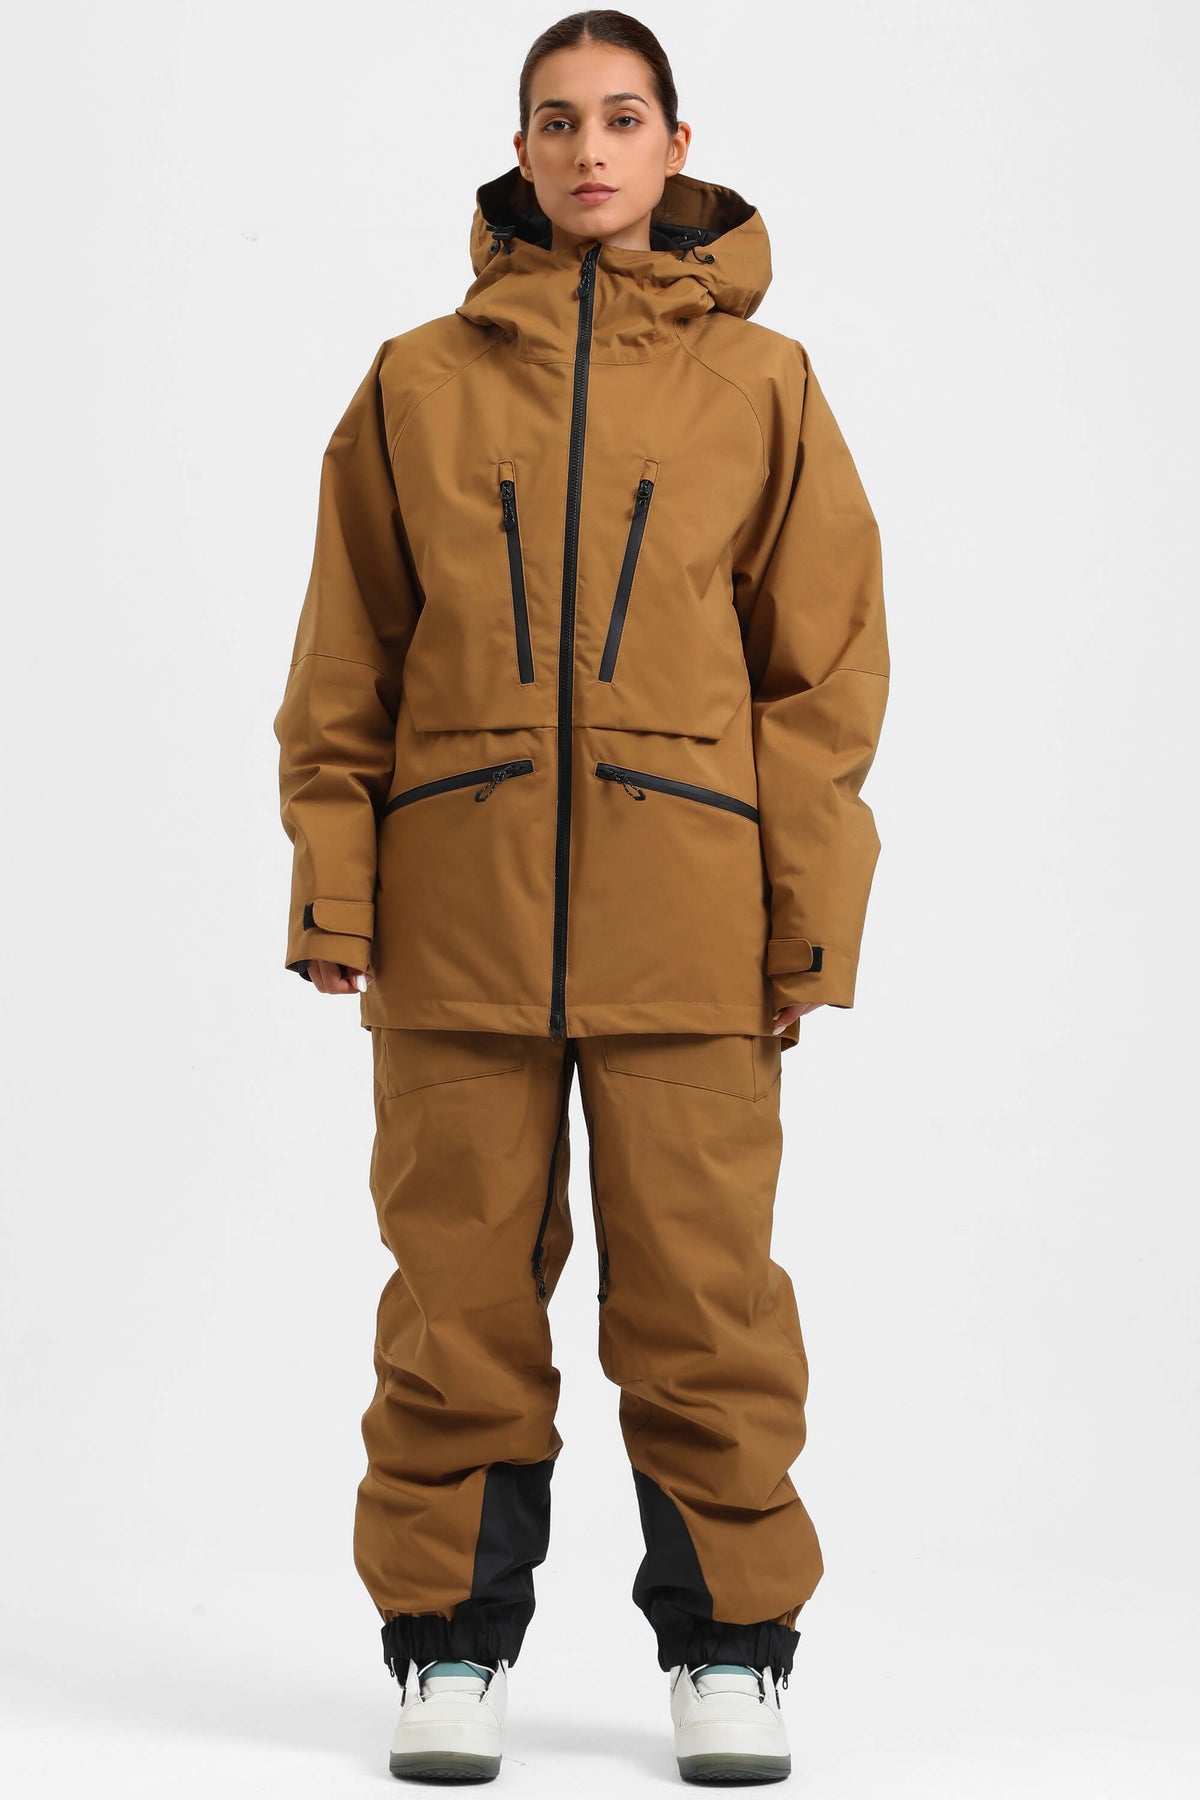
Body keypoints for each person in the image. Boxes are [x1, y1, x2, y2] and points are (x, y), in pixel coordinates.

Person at [272, 8, 889, 1785]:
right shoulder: (415, 381)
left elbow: (820, 680)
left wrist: (807, 921)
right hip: (453, 916)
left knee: (705, 1304)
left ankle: (733, 1651)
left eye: (623, 118)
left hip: (688, 920)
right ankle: (449, 1647)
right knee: (453, 1302)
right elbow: (346, 664)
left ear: (676, 145)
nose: (590, 149)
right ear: (521, 149)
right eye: (557, 120)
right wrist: (335, 894)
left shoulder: (765, 386)